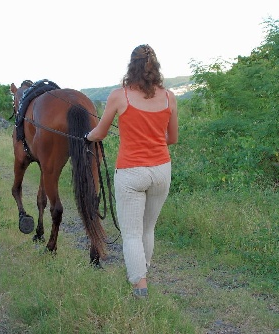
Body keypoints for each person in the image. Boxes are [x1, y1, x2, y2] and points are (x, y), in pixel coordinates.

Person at [85, 44, 178, 298]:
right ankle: (143, 272)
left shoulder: (119, 96)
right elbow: (172, 138)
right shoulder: (169, 97)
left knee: (132, 234)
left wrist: (87, 135)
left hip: (131, 172)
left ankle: (140, 287)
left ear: (131, 67)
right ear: (155, 67)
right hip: (161, 170)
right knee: (148, 229)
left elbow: (99, 133)